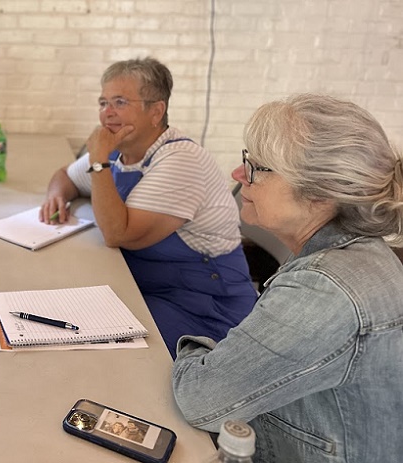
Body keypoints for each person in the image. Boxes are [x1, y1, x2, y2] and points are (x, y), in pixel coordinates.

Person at [172, 94, 403, 462]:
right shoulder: (358, 255)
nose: (237, 174)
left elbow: (199, 398)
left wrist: (195, 350)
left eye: (256, 166)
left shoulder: (325, 290)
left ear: (320, 195)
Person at [41, 57, 257, 358]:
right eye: (103, 102)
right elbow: (66, 176)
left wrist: (99, 161)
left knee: (94, 352)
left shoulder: (181, 160)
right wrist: (56, 195)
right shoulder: (121, 152)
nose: (107, 113)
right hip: (145, 290)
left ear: (156, 111)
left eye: (120, 102)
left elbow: (118, 233)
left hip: (203, 309)